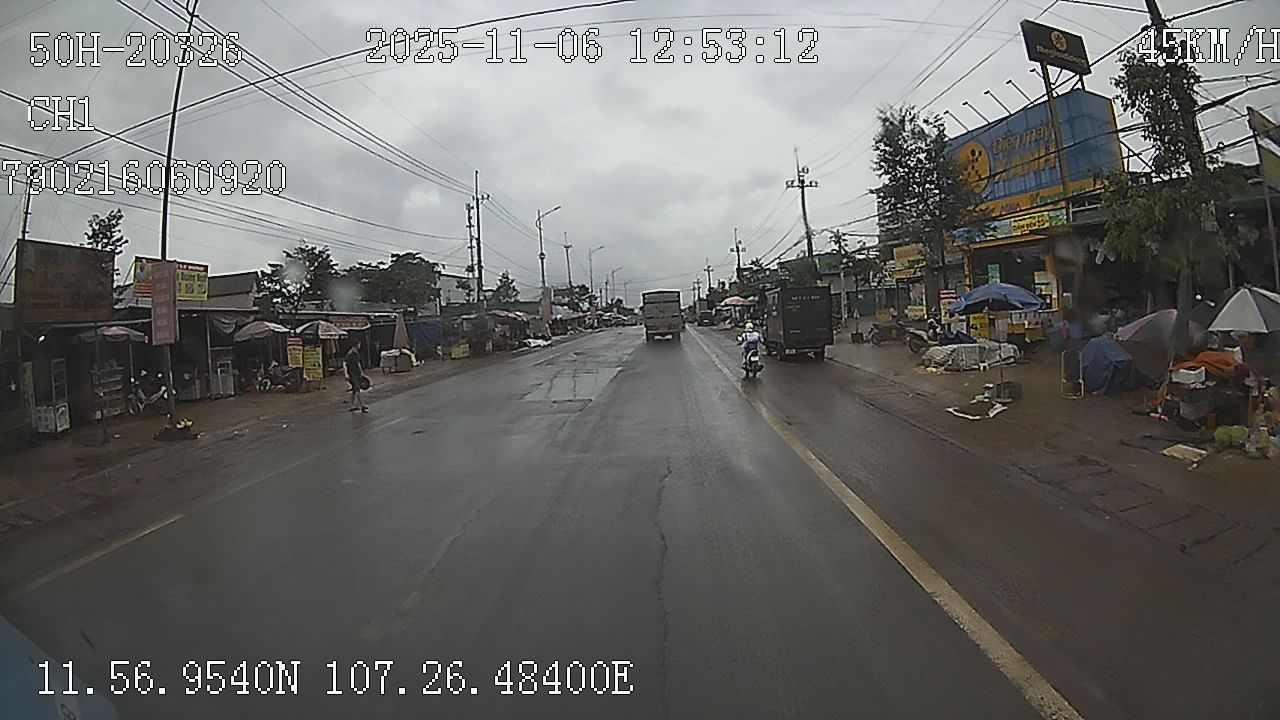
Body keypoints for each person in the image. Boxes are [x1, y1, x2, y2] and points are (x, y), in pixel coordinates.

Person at [345, 340, 368, 413]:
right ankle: (362, 405)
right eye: (359, 344)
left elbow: (358, 363)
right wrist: (346, 374)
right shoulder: (350, 354)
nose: (360, 346)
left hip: (357, 374)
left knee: (354, 391)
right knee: (357, 389)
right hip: (352, 375)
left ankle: (352, 406)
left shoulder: (356, 353)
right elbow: (345, 364)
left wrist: (361, 372)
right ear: (356, 345)